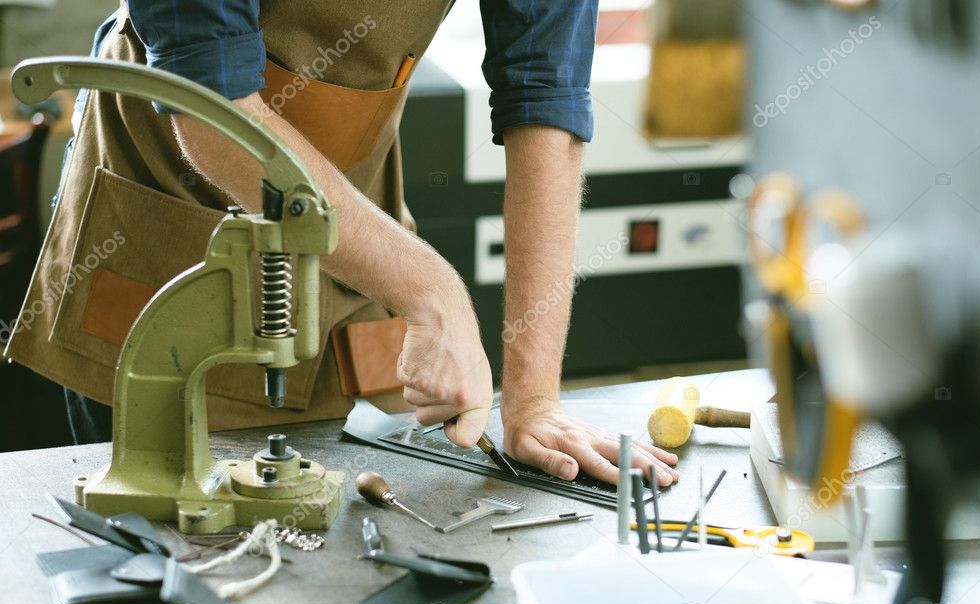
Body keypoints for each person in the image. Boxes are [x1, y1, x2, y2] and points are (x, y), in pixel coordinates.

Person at [4, 0, 678, 487]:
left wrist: (532, 401)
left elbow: (545, 100)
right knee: (165, 530)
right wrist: (433, 291)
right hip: (170, 187)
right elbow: (204, 99)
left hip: (353, 207)